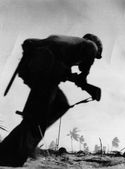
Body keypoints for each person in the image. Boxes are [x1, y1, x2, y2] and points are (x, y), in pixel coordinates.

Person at [0, 34, 102, 167]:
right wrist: (89, 87)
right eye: (94, 58)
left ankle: (25, 143)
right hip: (44, 69)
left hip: (34, 67)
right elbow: (80, 75)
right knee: (37, 118)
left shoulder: (67, 47)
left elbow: (63, 73)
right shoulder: (90, 45)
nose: (91, 60)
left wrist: (85, 85)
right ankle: (8, 156)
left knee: (59, 105)